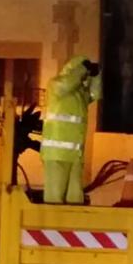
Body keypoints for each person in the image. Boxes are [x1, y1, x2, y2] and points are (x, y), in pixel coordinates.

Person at [41, 55, 101, 204]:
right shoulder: (56, 85)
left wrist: (96, 75)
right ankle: (52, 224)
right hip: (56, 155)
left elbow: (96, 94)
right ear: (74, 70)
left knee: (74, 199)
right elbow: (68, 83)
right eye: (82, 71)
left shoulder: (80, 94)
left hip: (74, 155)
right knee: (54, 200)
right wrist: (83, 69)